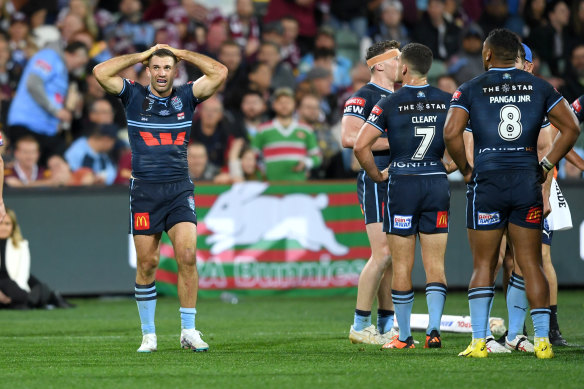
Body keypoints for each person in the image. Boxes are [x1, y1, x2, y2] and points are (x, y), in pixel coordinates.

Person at [443, 28, 580, 359]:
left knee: (483, 265)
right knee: (530, 263)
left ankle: (479, 342)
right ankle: (543, 341)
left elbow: (450, 132)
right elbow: (572, 128)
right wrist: (546, 165)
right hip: (526, 183)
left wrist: (464, 167)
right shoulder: (541, 87)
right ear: (517, 55)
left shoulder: (471, 88)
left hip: (487, 183)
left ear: (488, 54)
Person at [93, 43, 227, 352]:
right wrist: (140, 56)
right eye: (156, 67)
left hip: (179, 188)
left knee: (188, 256)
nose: (161, 73)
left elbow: (220, 72)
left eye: (167, 67)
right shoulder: (133, 95)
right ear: (148, 70)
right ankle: (149, 334)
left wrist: (183, 53)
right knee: (147, 263)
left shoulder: (186, 96)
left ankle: (189, 331)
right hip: (145, 192)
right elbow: (100, 72)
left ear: (175, 70)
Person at [354, 43, 454, 349]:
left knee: (401, 265)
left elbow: (359, 145)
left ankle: (405, 336)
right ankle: (434, 331)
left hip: (402, 185)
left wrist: (376, 175)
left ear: (405, 69)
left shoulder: (389, 102)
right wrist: (450, 166)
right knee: (436, 265)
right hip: (436, 184)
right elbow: (465, 143)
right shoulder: (448, 100)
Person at [341, 40, 400, 345]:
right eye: (397, 58)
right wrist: (399, 143)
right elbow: (349, 137)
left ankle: (385, 324)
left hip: (398, 178)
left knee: (391, 256)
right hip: (376, 176)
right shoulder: (363, 97)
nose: (402, 63)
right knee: (384, 254)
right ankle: (360, 324)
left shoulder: (400, 95)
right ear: (380, 65)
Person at [7, 41, 89, 165]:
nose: (79, 68)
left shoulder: (64, 72)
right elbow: (33, 84)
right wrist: (56, 111)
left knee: (55, 164)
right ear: (74, 54)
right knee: (26, 168)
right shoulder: (49, 56)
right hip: (27, 124)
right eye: (81, 62)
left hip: (46, 130)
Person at [0, 208, 73, 309]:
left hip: (16, 286)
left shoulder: (21, 245)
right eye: (1, 223)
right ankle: (39, 300)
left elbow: (22, 274)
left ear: (13, 226)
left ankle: (25, 302)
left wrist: (17, 293)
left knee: (33, 283)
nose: (3, 227)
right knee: (9, 284)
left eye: (7, 224)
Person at [252, 87, 321, 182]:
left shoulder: (306, 130)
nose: (284, 106)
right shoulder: (263, 130)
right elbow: (252, 156)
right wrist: (261, 175)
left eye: (288, 102)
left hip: (299, 185)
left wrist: (306, 162)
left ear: (294, 105)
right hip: (271, 186)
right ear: (274, 105)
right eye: (280, 102)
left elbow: (317, 156)